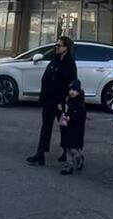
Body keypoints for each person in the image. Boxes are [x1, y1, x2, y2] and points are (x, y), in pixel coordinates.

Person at [27, 36, 77, 165]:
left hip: (61, 103)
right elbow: (46, 79)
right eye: (56, 45)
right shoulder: (54, 60)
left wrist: (64, 101)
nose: (56, 47)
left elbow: (72, 83)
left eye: (59, 45)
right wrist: (43, 97)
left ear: (66, 48)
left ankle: (66, 151)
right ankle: (40, 154)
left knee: (64, 127)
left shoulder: (70, 63)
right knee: (46, 127)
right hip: (49, 100)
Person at [58, 79, 86, 174]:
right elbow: (66, 110)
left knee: (73, 148)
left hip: (76, 129)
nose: (72, 92)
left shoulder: (80, 103)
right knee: (67, 147)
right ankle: (69, 165)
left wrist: (71, 117)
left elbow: (80, 115)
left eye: (74, 90)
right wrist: (63, 112)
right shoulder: (69, 100)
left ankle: (79, 157)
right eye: (71, 90)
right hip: (68, 127)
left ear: (78, 91)